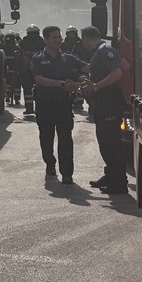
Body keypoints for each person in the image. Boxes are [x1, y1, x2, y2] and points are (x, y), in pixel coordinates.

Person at [30, 25, 84, 185]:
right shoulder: (38, 59)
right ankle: (50, 163)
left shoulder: (68, 58)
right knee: (46, 138)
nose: (58, 40)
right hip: (45, 105)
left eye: (59, 37)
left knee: (66, 139)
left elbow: (86, 67)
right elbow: (39, 79)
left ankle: (67, 173)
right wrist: (61, 84)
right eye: (54, 37)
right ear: (46, 39)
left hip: (63, 105)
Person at [80, 26, 128, 194]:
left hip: (110, 102)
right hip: (102, 103)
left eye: (83, 40)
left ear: (86, 38)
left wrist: (96, 86)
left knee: (111, 143)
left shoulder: (105, 50)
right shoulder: (98, 52)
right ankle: (111, 175)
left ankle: (119, 183)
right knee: (105, 143)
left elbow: (117, 73)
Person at [19, 24, 44, 111]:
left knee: (28, 88)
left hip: (28, 69)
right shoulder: (41, 41)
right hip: (37, 70)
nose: (33, 36)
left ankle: (29, 108)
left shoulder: (24, 41)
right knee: (39, 88)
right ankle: (38, 108)